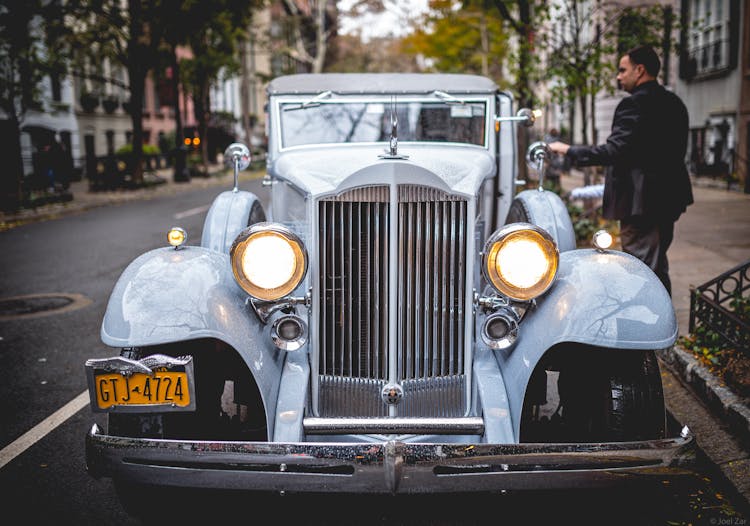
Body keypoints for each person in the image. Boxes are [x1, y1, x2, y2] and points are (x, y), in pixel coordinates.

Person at [548, 45, 694, 296]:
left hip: (642, 203)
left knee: (640, 270)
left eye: (622, 70)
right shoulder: (675, 103)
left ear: (640, 70)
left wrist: (569, 150)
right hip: (668, 199)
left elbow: (614, 152)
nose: (618, 76)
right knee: (656, 266)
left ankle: (647, 327)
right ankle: (660, 322)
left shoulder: (634, 105)